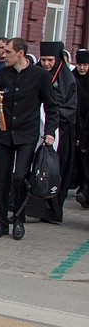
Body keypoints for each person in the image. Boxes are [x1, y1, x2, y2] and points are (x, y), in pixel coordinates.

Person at [0, 37, 58, 240]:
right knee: (2, 178)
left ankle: (18, 218)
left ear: (20, 53)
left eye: (8, 52)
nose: (3, 55)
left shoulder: (40, 76)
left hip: (27, 133)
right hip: (3, 133)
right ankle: (2, 221)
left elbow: (52, 107)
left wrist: (50, 132)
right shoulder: (1, 74)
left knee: (20, 177)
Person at [28, 41, 77, 223]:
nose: (46, 64)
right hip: (35, 129)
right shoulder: (36, 75)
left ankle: (52, 211)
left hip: (59, 133)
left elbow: (70, 108)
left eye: (50, 60)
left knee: (54, 171)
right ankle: (30, 208)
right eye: (43, 60)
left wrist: (48, 111)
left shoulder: (67, 80)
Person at [74, 49, 89, 208]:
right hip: (76, 120)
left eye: (85, 65)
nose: (82, 68)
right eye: (80, 65)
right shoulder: (73, 77)